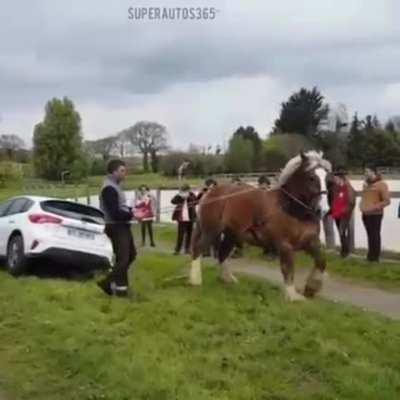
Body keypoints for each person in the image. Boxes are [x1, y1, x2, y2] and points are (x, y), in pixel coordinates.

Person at [97, 159, 136, 297]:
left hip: (122, 226)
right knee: (124, 259)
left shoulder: (115, 186)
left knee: (130, 255)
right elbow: (114, 213)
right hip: (116, 227)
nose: (125, 173)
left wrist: (129, 210)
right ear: (113, 172)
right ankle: (107, 283)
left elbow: (120, 208)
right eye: (122, 171)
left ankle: (121, 288)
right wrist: (131, 214)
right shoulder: (109, 188)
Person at [360, 165, 391, 262]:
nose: (365, 174)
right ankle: (370, 256)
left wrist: (373, 207)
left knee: (375, 235)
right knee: (369, 235)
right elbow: (364, 198)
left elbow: (387, 201)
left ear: (373, 172)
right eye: (365, 172)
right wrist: (361, 206)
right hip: (365, 214)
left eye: (367, 171)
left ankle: (375, 257)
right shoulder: (366, 184)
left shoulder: (382, 184)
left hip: (376, 215)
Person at [329, 167, 356, 258]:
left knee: (342, 232)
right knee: (341, 232)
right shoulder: (335, 188)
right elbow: (334, 200)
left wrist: (344, 211)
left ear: (340, 178)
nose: (334, 180)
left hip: (344, 215)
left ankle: (345, 252)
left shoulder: (348, 187)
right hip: (337, 214)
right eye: (334, 178)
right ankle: (344, 251)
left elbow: (351, 202)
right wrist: (333, 210)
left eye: (336, 178)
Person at [171, 184, 197, 255]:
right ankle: (177, 250)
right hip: (181, 218)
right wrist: (181, 197)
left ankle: (187, 249)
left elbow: (196, 202)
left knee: (189, 234)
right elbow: (173, 201)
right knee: (180, 235)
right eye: (183, 190)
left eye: (186, 190)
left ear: (188, 190)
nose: (185, 191)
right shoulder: (179, 195)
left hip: (190, 217)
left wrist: (188, 197)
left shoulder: (192, 195)